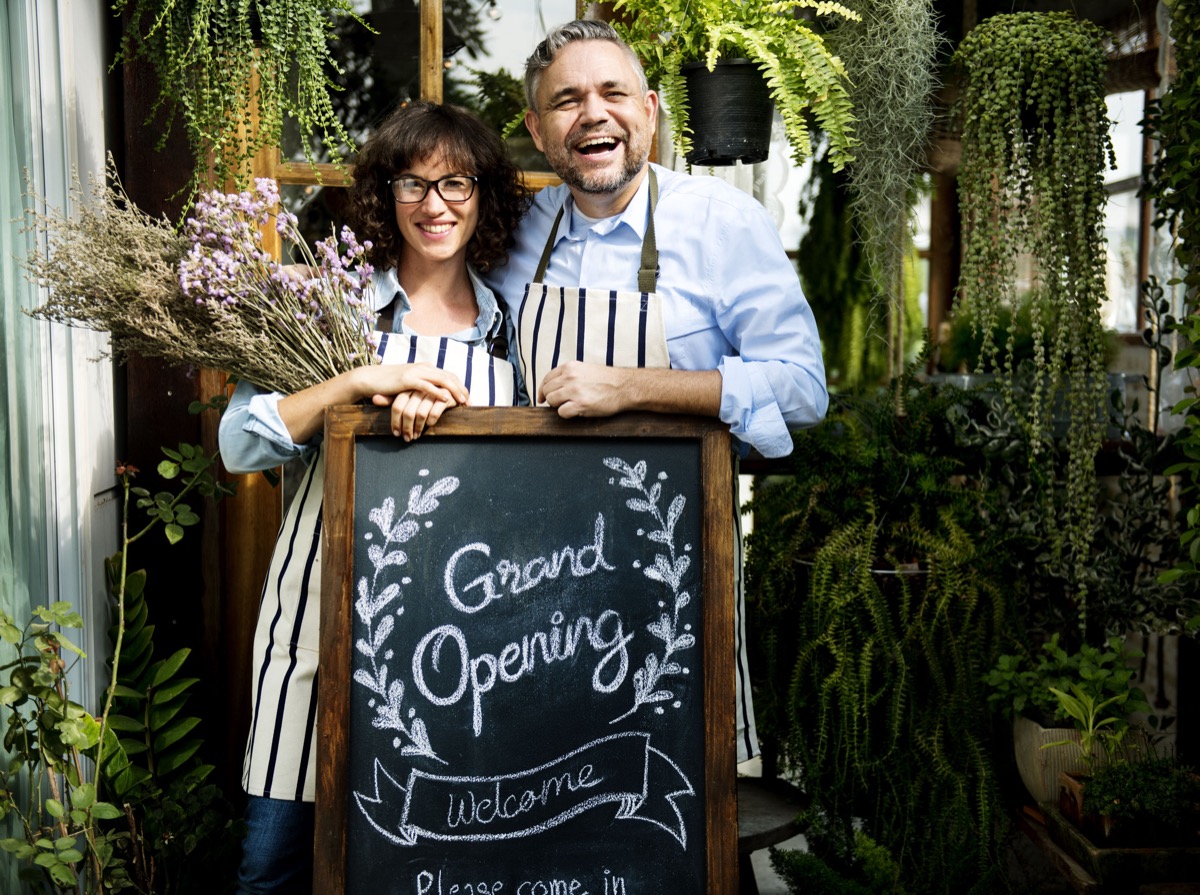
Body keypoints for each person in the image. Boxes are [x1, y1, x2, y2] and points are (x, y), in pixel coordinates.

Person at [482, 19, 828, 764]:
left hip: (671, 580)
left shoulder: (720, 223)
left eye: (613, 91)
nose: (593, 113)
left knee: (676, 810)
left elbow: (803, 388)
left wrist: (632, 387)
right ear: (540, 133)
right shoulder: (516, 234)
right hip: (525, 587)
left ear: (651, 107)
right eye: (568, 100)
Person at [218, 101, 530, 895]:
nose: (435, 204)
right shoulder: (332, 310)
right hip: (316, 625)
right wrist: (358, 383)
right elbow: (239, 443)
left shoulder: (512, 333)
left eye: (455, 182)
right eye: (412, 183)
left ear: (484, 195)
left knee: (422, 863)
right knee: (272, 865)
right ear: (383, 196)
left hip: (457, 645)